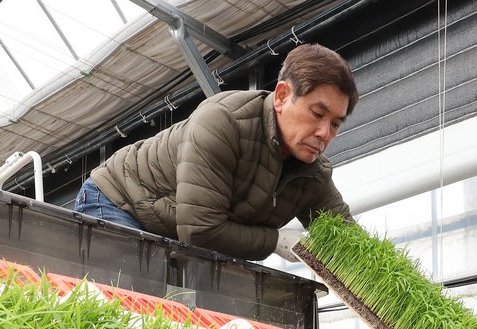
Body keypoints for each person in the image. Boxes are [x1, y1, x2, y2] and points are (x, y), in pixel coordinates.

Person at [74, 44, 356, 262]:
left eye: (335, 123)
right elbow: (200, 231)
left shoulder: (313, 174)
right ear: (282, 97)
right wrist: (276, 241)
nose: (324, 133)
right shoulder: (225, 121)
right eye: (317, 113)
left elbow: (350, 243)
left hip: (176, 229)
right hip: (119, 202)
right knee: (131, 309)